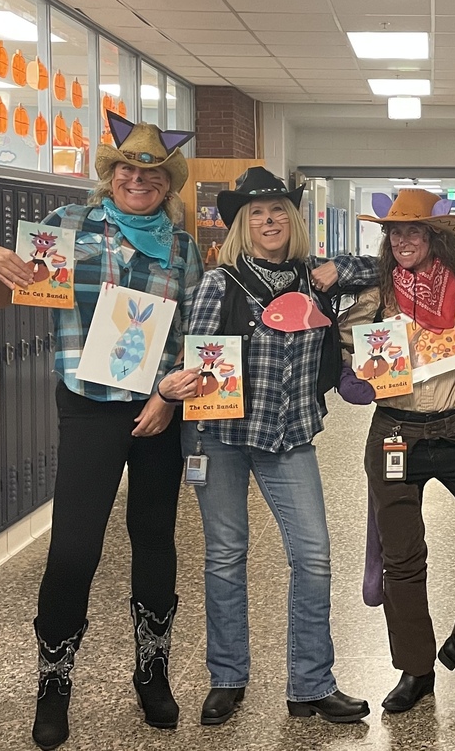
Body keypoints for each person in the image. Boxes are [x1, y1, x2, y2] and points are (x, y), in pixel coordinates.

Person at [0, 112, 202, 750]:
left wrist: (167, 394)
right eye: (129, 168)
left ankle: (152, 672)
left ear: (166, 183)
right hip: (90, 403)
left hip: (162, 406)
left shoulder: (184, 248)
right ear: (111, 174)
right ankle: (54, 684)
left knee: (155, 542)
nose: (139, 179)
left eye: (152, 173)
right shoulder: (69, 228)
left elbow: (190, 333)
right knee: (75, 548)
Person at [157, 166, 376, 726]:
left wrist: (337, 267)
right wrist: (176, 386)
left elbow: (387, 269)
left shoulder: (313, 280)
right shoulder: (220, 282)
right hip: (220, 436)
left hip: (290, 436)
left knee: (315, 557)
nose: (269, 220)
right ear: (241, 225)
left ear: (293, 219)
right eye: (256, 213)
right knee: (226, 557)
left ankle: (311, 683)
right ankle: (227, 676)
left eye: (278, 210)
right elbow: (197, 354)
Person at [337, 188, 455, 713]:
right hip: (395, 435)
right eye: (395, 232)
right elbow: (338, 342)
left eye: (414, 231)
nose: (403, 240)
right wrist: (353, 378)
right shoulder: (377, 295)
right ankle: (415, 670)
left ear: (435, 237)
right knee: (402, 557)